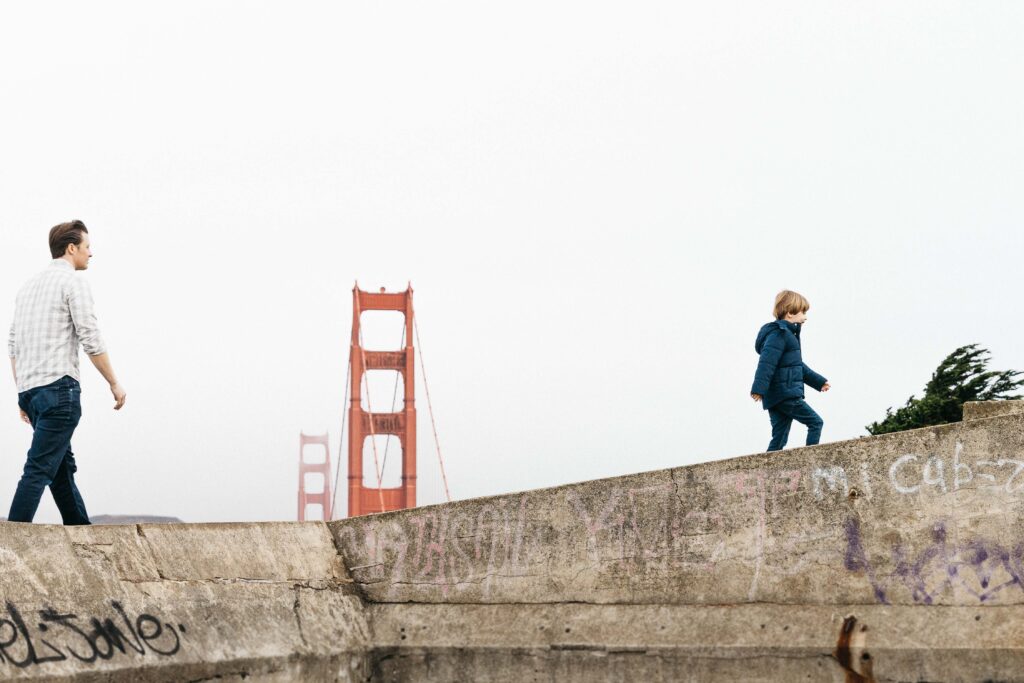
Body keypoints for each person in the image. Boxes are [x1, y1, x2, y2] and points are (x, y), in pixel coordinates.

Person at [6, 220, 126, 524]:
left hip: (33, 392)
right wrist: (114, 383)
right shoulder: (73, 282)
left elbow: (13, 345)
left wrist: (23, 394)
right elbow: (90, 336)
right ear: (71, 248)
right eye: (87, 247)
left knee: (60, 471)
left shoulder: (26, 288)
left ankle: (84, 536)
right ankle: (10, 546)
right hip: (59, 391)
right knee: (38, 470)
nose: (91, 253)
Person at [750, 290, 830, 452]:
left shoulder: (787, 335)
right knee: (816, 422)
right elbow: (766, 363)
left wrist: (819, 381)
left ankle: (767, 471)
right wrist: (758, 389)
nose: (805, 317)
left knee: (779, 438)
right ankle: (810, 460)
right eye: (803, 312)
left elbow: (797, 366)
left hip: (775, 396)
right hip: (786, 394)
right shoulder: (780, 334)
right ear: (789, 313)